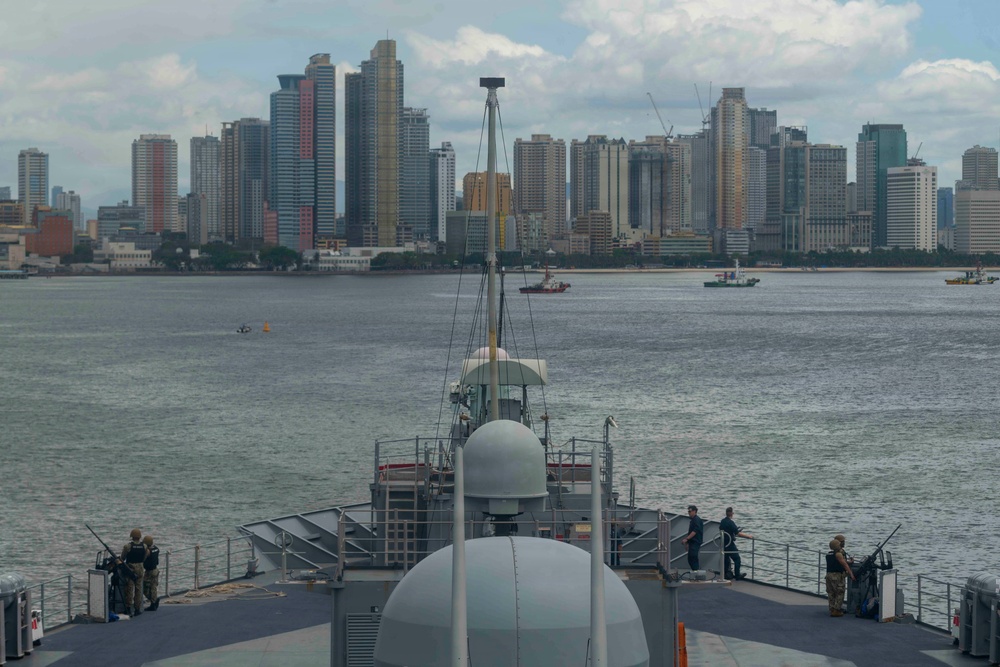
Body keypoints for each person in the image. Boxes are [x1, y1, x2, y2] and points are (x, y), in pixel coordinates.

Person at [720, 507, 753, 580]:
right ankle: (737, 575)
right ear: (731, 513)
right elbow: (738, 533)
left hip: (723, 544)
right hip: (730, 544)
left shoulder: (722, 521)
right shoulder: (731, 522)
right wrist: (748, 536)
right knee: (737, 559)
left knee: (726, 560)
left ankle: (725, 574)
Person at [121, 528, 148, 616]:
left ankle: (128, 608)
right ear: (140, 537)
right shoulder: (144, 546)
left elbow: (123, 558)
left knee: (129, 588)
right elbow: (144, 557)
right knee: (139, 589)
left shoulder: (128, 546)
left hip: (131, 569)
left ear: (132, 536)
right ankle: (137, 609)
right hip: (140, 568)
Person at [825, 538, 855, 617]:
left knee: (831, 593)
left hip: (828, 575)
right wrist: (851, 574)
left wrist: (848, 561)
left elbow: (839, 561)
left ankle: (832, 608)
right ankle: (836, 610)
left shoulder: (829, 554)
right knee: (840, 592)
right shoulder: (838, 554)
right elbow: (844, 564)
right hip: (836, 576)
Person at [680, 505, 704, 571]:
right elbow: (691, 531)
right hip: (692, 542)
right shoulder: (693, 520)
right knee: (691, 557)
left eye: (690, 511)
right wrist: (688, 543)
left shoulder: (696, 519)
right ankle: (695, 571)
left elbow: (695, 531)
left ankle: (696, 572)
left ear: (694, 511)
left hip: (696, 542)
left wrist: (686, 539)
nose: (689, 513)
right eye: (688, 511)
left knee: (693, 557)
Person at [142, 535, 160, 611]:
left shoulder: (148, 551)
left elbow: (143, 559)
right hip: (155, 570)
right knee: (153, 587)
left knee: (143, 587)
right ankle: (154, 602)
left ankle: (153, 601)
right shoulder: (156, 549)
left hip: (149, 571)